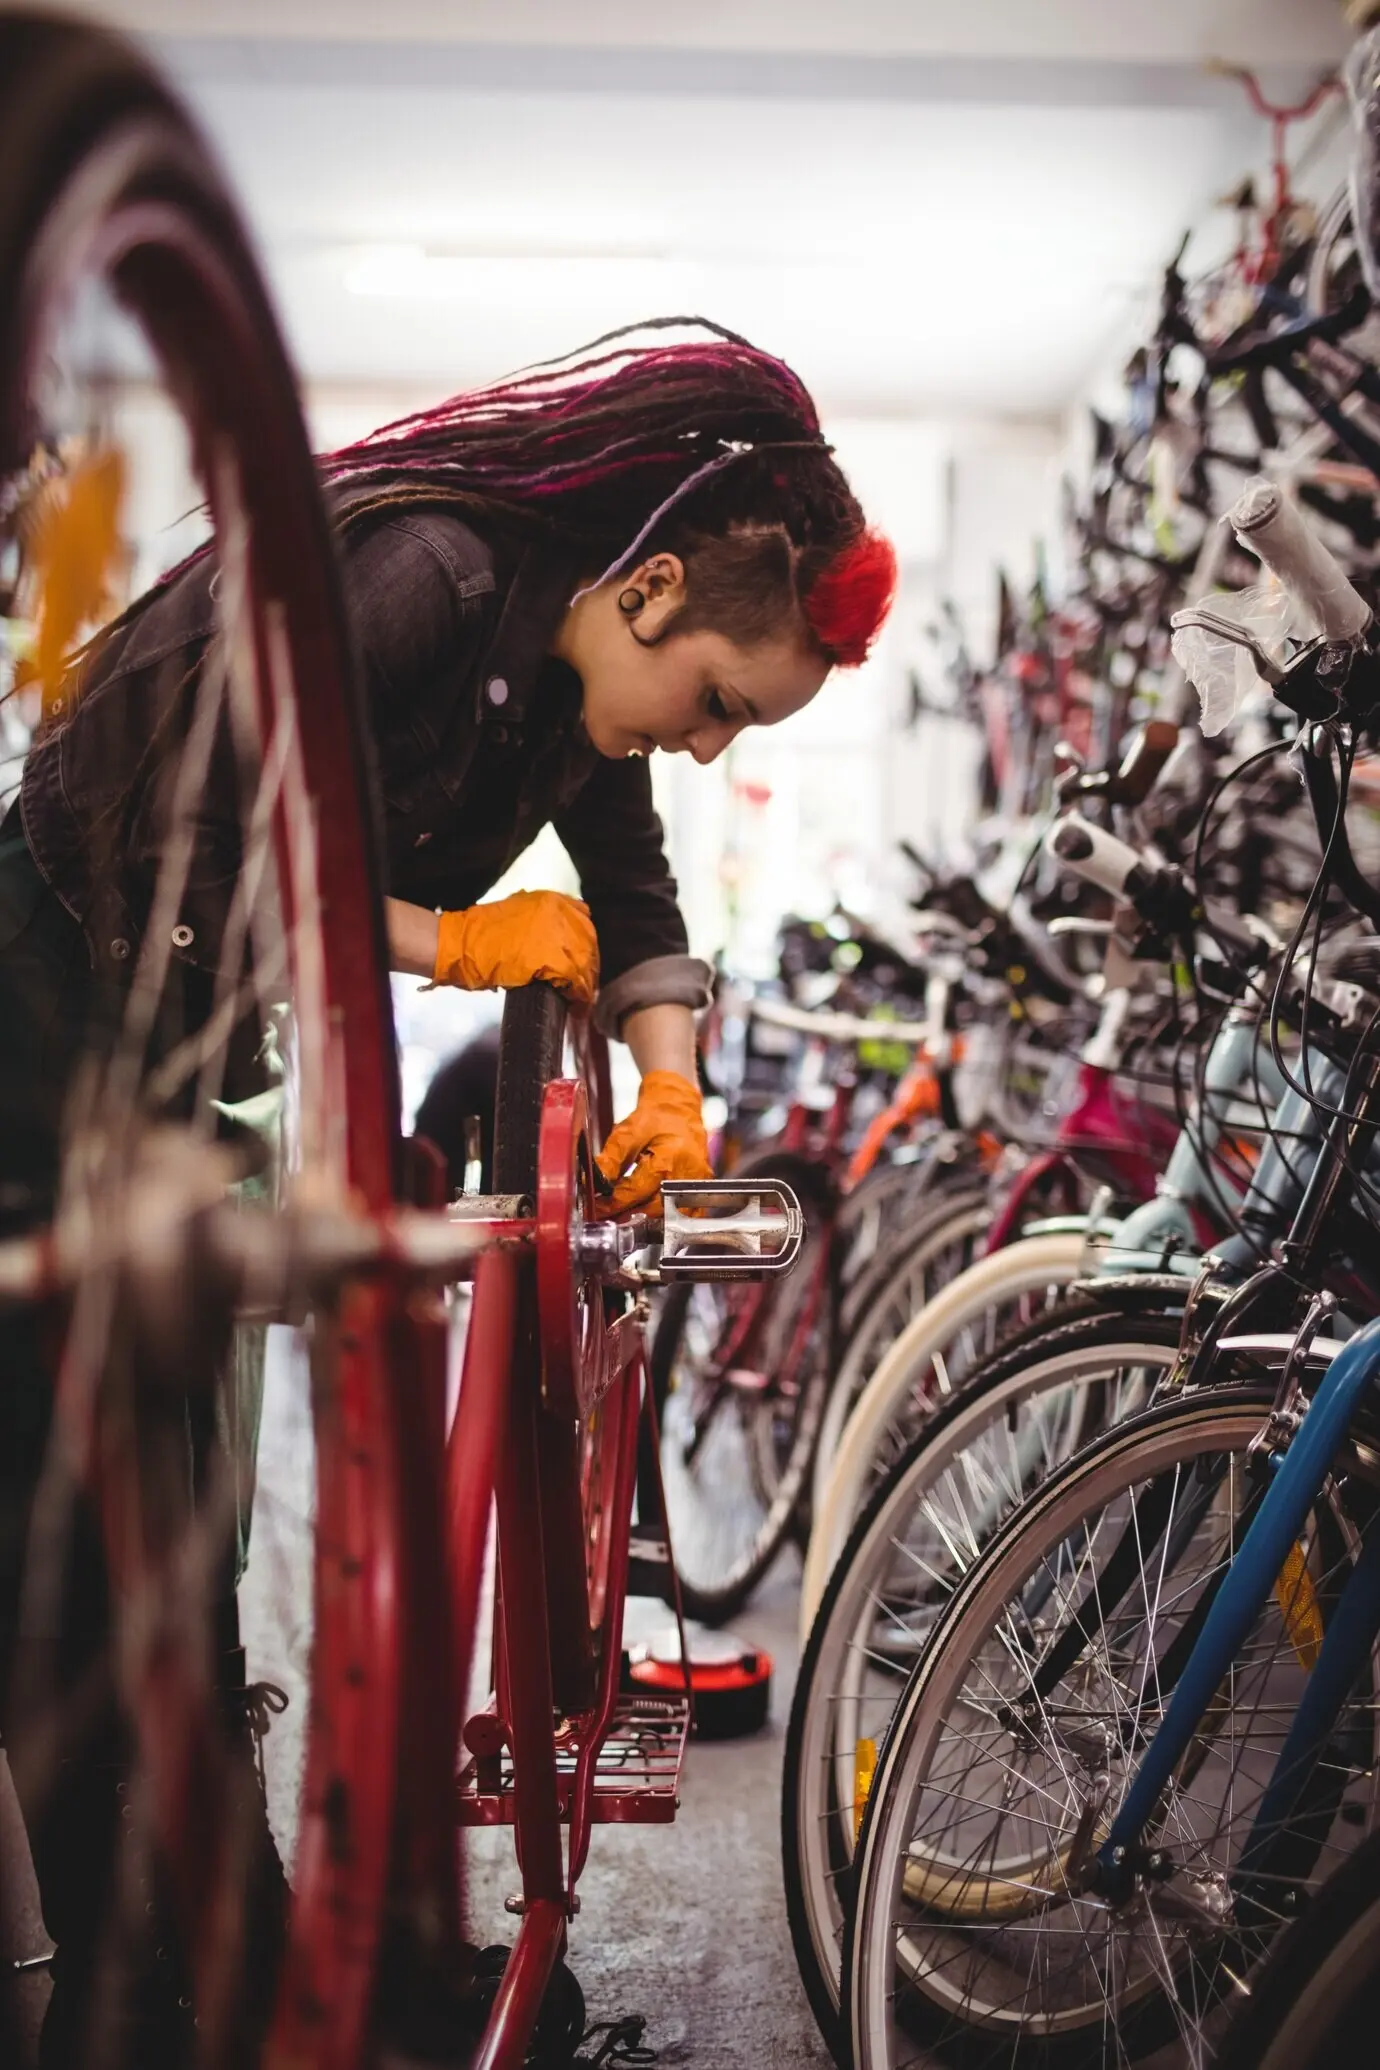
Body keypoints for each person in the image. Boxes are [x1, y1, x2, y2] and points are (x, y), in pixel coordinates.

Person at [0, 318, 895, 2063]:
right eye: (720, 700)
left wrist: (669, 1084)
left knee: (180, 1542)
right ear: (650, 598)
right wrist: (445, 937)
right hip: (32, 1000)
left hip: (161, 1045)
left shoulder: (581, 684)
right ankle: (141, 2005)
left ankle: (249, 1964)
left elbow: (636, 902)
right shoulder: (425, 576)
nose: (710, 745)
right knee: (71, 1542)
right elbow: (189, 825)